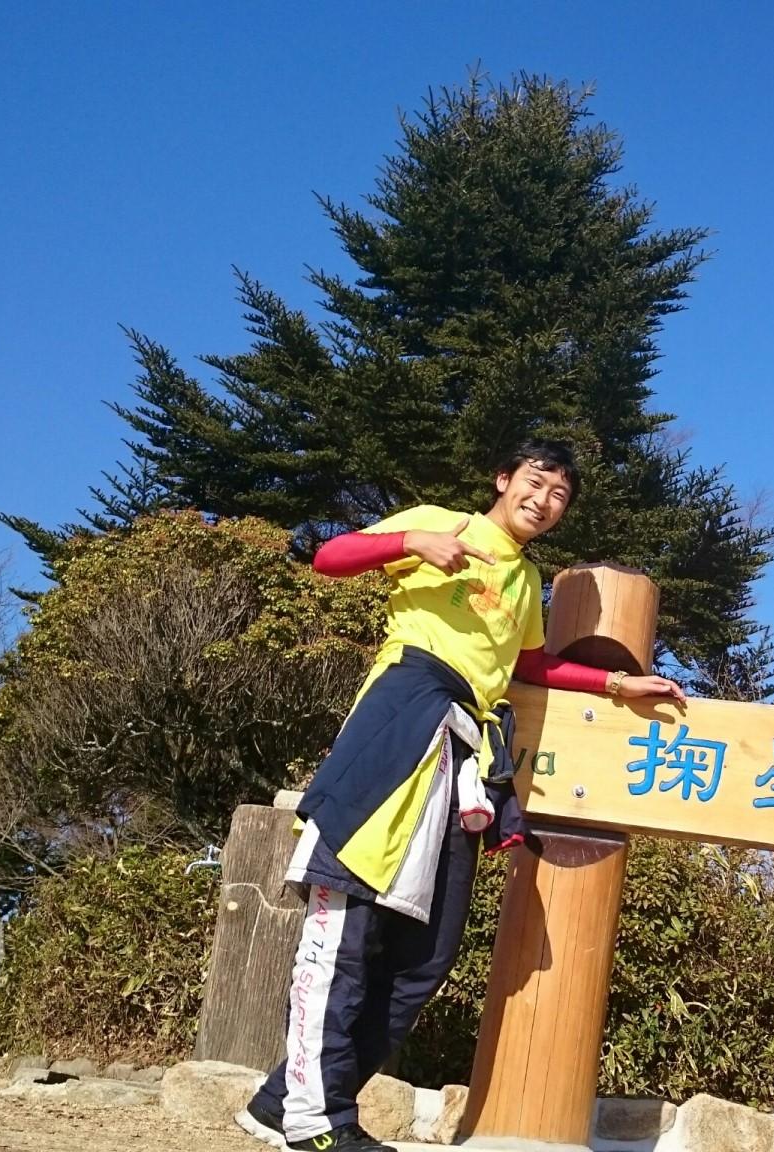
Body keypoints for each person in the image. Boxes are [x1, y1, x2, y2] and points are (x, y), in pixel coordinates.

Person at [238, 439, 684, 1152]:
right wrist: (411, 543)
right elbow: (329, 559)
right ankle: (316, 1122)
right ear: (503, 480)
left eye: (559, 495)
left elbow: (530, 666)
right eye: (534, 482)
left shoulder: (526, 581)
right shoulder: (440, 522)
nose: (544, 500)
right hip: (401, 716)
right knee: (347, 927)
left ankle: (279, 1100)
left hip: (467, 754)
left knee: (426, 958)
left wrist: (614, 683)